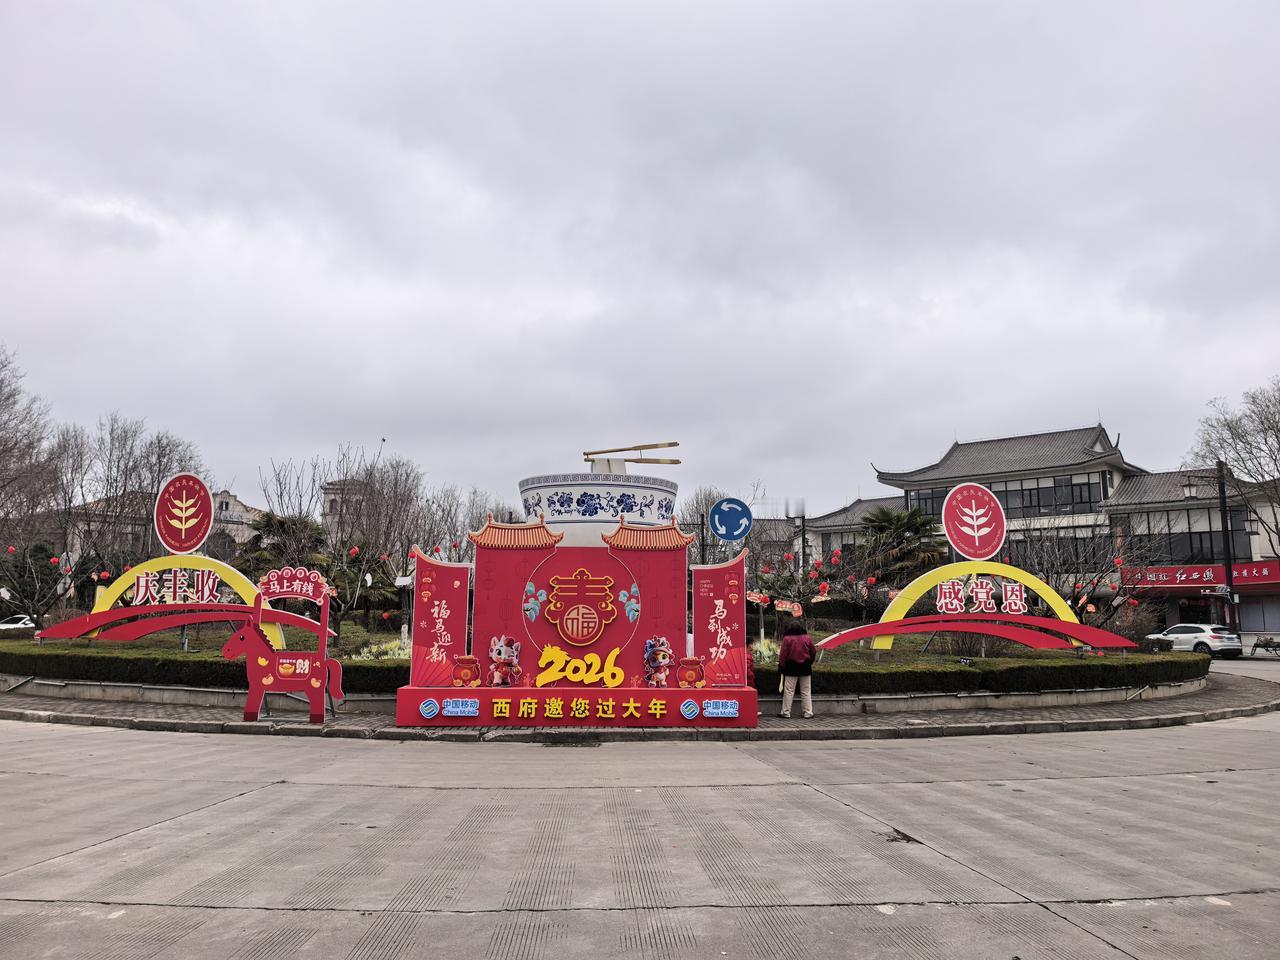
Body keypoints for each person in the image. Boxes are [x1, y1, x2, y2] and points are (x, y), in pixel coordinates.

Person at [777, 621, 816, 719]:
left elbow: (783, 654)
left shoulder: (787, 639)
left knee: (789, 690)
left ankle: (786, 712)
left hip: (791, 667)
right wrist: (810, 661)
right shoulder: (807, 637)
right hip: (805, 666)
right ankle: (808, 712)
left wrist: (781, 666)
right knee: (806, 691)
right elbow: (813, 651)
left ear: (790, 628)